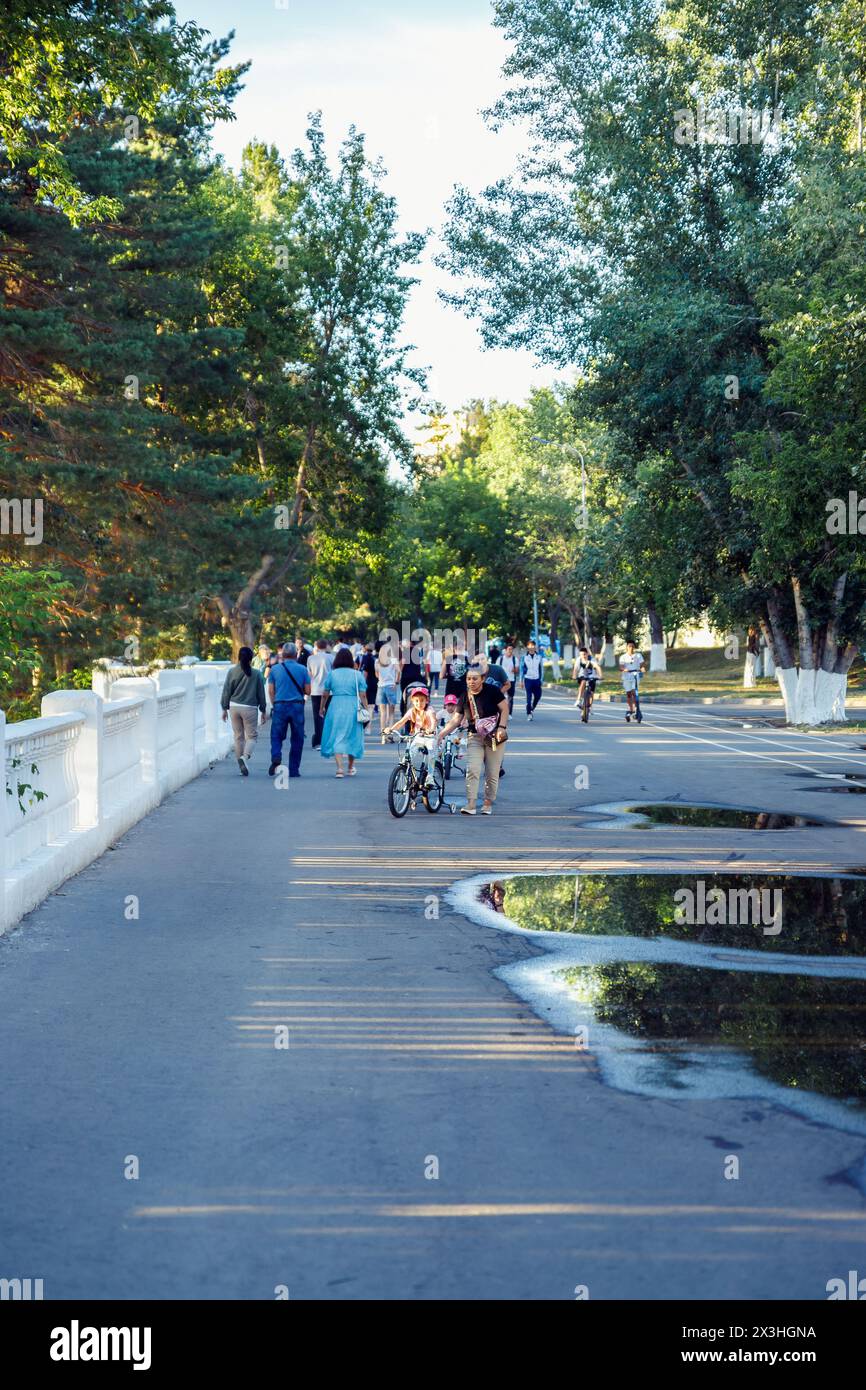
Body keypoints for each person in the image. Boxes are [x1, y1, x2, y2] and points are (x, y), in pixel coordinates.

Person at [438, 664, 508, 815]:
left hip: (494, 738)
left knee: (492, 772)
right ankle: (471, 804)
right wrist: (441, 734)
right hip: (475, 737)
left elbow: (504, 708)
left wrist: (502, 727)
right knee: (473, 769)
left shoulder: (493, 691)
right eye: (469, 679)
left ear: (482, 679)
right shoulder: (464, 696)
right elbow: (456, 720)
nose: (471, 681)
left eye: (475, 678)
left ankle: (487, 803)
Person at [320, 646, 369, 776]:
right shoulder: (357, 674)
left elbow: (325, 693)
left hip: (335, 706)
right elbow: (363, 695)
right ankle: (351, 767)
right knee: (353, 736)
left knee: (337, 735)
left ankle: (339, 769)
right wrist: (366, 709)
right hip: (353, 706)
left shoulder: (332, 674)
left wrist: (321, 707)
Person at [220, 646, 268, 776]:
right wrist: (263, 710)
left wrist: (224, 708)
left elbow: (226, 691)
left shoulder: (232, 672)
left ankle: (241, 764)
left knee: (238, 737)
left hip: (234, 707)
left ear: (239, 657)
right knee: (251, 736)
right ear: (251, 658)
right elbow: (261, 694)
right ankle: (245, 758)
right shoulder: (257, 673)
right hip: (250, 708)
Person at [384, 682, 439, 788]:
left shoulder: (429, 710)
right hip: (418, 737)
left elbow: (433, 721)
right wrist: (390, 729)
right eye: (416, 701)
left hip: (429, 736)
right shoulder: (411, 711)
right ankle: (410, 775)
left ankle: (430, 777)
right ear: (412, 701)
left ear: (427, 700)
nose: (419, 703)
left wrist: (431, 729)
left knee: (432, 751)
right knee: (409, 755)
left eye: (422, 700)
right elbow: (401, 722)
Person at [268, 642, 310, 777]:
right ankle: (293, 769)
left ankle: (276, 755)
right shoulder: (303, 669)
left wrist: (274, 703)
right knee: (297, 738)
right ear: (295, 654)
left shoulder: (275, 669)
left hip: (280, 705)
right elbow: (308, 691)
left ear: (283, 654)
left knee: (276, 734)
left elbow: (270, 690)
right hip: (297, 705)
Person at [307, 638, 333, 749]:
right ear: (326, 646)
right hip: (330, 690)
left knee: (317, 716)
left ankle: (318, 742)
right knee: (329, 716)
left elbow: (309, 675)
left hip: (315, 689)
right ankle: (329, 740)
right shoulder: (332, 657)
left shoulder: (311, 658)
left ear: (316, 647)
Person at [375, 644, 400, 740]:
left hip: (381, 686)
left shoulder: (377, 661)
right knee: (391, 713)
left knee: (383, 712)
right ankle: (390, 733)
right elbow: (398, 671)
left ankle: (383, 734)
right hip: (391, 686)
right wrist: (396, 681)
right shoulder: (393, 660)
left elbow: (376, 674)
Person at [619, 640, 646, 723]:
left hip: (635, 675)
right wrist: (624, 669)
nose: (631, 648)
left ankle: (636, 709)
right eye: (629, 646)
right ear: (627, 647)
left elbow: (642, 665)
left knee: (635, 692)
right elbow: (621, 667)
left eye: (632, 646)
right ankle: (630, 709)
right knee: (629, 694)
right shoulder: (623, 657)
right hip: (626, 676)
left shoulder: (638, 656)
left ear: (634, 647)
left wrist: (642, 669)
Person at [574, 646, 603, 720]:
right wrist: (574, 676)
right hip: (582, 677)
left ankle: (589, 707)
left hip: (592, 677)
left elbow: (597, 667)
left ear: (587, 654)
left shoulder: (592, 660)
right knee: (583, 681)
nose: (583, 656)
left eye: (584, 654)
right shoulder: (579, 660)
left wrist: (600, 676)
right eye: (581, 654)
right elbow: (575, 669)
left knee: (592, 693)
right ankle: (578, 700)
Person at [399, 641, 425, 713]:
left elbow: (403, 663)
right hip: (417, 676)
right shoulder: (419, 651)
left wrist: (399, 672)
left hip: (406, 677)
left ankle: (404, 711)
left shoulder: (406, 651)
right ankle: (416, 710)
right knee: (416, 694)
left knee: (404, 695)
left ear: (410, 643)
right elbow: (423, 663)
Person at [521, 640, 544, 720]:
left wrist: (541, 679)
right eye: (530, 645)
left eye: (533, 645)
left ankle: (532, 708)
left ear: (535, 647)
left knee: (538, 696)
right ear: (528, 647)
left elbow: (541, 669)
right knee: (528, 698)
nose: (532, 647)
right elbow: (522, 669)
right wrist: (521, 681)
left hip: (537, 680)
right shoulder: (524, 657)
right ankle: (529, 714)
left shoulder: (539, 657)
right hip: (528, 679)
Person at [500, 642, 517, 714]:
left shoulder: (515, 659)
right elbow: (497, 669)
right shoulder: (500, 659)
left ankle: (509, 713)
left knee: (510, 698)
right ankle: (500, 712)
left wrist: (515, 669)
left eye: (512, 649)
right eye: (509, 649)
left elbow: (517, 670)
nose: (510, 651)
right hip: (501, 681)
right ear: (505, 650)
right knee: (500, 697)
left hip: (511, 680)